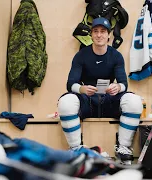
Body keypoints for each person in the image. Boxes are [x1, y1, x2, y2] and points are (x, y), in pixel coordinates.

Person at [57, 17, 142, 164]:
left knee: (134, 101)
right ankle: (76, 149)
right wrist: (82, 88)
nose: (99, 35)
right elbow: (70, 84)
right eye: (95, 31)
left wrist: (117, 87)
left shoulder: (116, 55)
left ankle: (123, 148)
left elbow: (124, 84)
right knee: (65, 102)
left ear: (109, 35)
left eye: (103, 31)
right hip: (88, 101)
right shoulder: (81, 55)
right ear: (91, 34)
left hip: (109, 100)